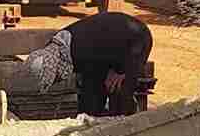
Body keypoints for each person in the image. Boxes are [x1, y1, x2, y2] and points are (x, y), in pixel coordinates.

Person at [14, 10, 154, 116]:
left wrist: (120, 70)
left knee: (118, 88)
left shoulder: (80, 51)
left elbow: (97, 73)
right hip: (111, 49)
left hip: (136, 43)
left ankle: (126, 124)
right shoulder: (56, 47)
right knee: (92, 94)